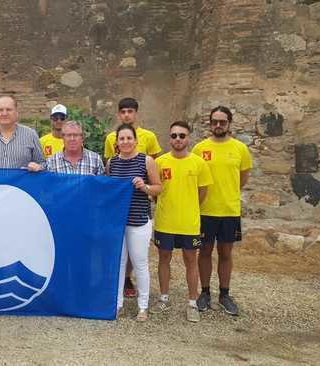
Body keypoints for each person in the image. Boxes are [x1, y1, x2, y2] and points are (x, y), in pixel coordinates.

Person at [150, 121, 213, 323]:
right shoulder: (160, 162)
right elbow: (155, 192)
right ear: (170, 138)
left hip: (189, 223)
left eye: (182, 135)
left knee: (191, 261)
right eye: (174, 135)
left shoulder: (198, 163)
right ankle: (164, 298)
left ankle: (192, 303)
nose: (178, 139)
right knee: (164, 259)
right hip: (165, 222)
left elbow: (202, 193)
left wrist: (189, 207)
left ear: (188, 138)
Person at [193, 106, 252, 316]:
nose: (218, 125)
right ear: (210, 124)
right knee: (205, 251)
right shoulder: (199, 149)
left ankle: (225, 294)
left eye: (223, 122)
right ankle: (205, 293)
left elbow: (242, 179)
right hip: (206, 210)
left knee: (226, 253)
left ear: (229, 124)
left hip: (229, 210)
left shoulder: (240, 149)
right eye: (215, 122)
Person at [104, 97, 162, 298]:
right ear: (116, 143)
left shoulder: (146, 156)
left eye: (129, 139)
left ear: (136, 141)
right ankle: (117, 302)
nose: (126, 141)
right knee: (119, 262)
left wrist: (145, 187)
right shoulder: (112, 162)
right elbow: (109, 185)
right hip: (118, 219)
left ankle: (143, 305)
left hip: (139, 218)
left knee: (140, 262)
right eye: (122, 139)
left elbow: (158, 186)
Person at [0, 95, 45, 172]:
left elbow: (42, 164)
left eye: (9, 109)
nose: (4, 113)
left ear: (16, 113)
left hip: (21, 184)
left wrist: (38, 167)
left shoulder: (30, 135)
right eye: (0, 110)